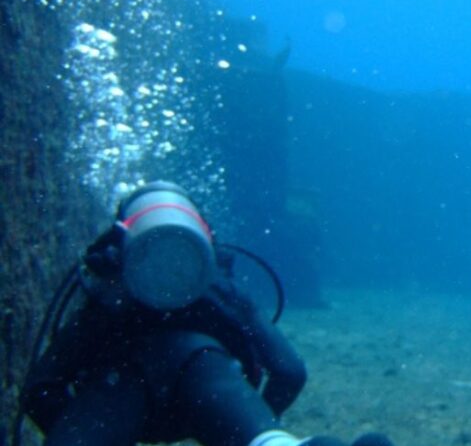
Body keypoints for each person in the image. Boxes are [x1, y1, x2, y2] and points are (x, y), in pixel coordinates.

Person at [18, 181, 394, 446]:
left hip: (117, 386)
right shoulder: (219, 290)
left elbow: (39, 389)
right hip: (209, 381)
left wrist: (83, 423)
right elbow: (290, 371)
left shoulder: (108, 297)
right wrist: (251, 418)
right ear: (203, 235)